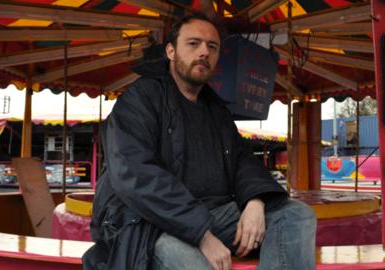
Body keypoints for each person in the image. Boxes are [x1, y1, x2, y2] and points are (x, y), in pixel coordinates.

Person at [83, 13, 316, 270]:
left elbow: (242, 161)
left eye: (212, 47)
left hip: (211, 215)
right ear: (171, 51)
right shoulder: (141, 99)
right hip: (148, 223)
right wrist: (203, 236)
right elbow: (135, 174)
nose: (204, 51)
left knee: (295, 214)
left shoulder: (216, 110)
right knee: (187, 260)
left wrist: (255, 200)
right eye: (193, 43)